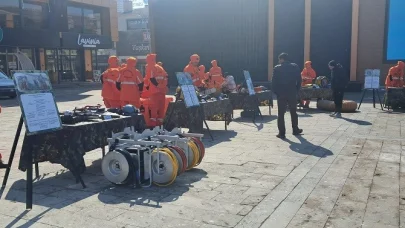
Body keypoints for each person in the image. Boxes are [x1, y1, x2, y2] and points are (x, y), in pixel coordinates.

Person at [272, 53, 303, 139]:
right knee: (293, 112)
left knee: (281, 114)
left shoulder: (277, 68)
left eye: (279, 59)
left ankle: (282, 133)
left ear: (282, 59)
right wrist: (296, 90)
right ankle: (295, 129)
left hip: (281, 93)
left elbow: (273, 82)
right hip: (292, 92)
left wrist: (276, 92)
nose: (279, 61)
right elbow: (299, 80)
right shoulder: (295, 67)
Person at [144, 53, 168, 126]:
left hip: (154, 91)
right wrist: (162, 85)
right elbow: (166, 77)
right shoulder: (160, 68)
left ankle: (153, 125)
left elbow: (151, 78)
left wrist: (157, 85)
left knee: (154, 108)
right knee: (161, 107)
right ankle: (160, 124)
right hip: (162, 91)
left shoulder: (151, 67)